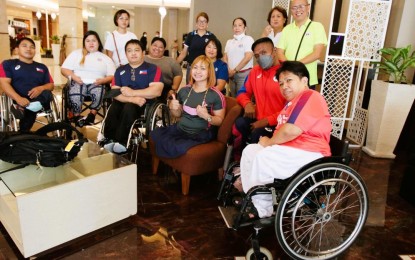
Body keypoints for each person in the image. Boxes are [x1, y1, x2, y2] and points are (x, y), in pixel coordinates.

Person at [238, 61, 332, 219]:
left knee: (263, 156)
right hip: (291, 149)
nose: (284, 86)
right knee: (250, 151)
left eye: (289, 80)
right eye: (281, 83)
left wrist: (268, 142)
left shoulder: (309, 96)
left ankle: (262, 208)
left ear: (304, 80)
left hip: (310, 152)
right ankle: (253, 199)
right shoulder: (291, 103)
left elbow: (290, 131)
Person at [150, 55, 225, 159]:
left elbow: (220, 120)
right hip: (180, 129)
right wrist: (173, 108)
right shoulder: (184, 90)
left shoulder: (216, 95)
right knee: (155, 135)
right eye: (195, 67)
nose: (198, 71)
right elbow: (178, 114)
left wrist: (207, 116)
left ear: (209, 72)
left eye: (203, 69)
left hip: (200, 134)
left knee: (177, 145)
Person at [103, 39, 163, 154]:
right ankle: (108, 139)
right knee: (114, 106)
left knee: (129, 107)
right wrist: (131, 99)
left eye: (137, 50)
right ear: (126, 54)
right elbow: (114, 92)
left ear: (143, 53)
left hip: (145, 104)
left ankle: (122, 142)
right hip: (125, 101)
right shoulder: (120, 70)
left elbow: (156, 91)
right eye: (129, 51)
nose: (133, 53)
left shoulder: (152, 69)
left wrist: (133, 93)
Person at [233, 37, 285, 158]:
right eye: (257, 56)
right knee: (240, 123)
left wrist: (267, 121)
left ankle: (252, 167)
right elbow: (242, 92)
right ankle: (238, 159)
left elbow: (292, 108)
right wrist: (247, 104)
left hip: (279, 123)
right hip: (259, 118)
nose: (260, 58)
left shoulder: (287, 73)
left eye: (263, 53)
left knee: (257, 134)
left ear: (274, 51)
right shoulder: (255, 71)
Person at [61, 30, 116, 127]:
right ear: (84, 43)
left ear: (98, 43)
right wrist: (74, 77)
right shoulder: (76, 54)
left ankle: (92, 114)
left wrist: (103, 80)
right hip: (78, 81)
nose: (91, 43)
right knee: (75, 90)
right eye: (88, 40)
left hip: (97, 83)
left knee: (100, 90)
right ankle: (77, 116)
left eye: (94, 40)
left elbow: (112, 75)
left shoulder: (105, 58)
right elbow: (64, 69)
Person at [0, 37, 54, 132]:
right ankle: (25, 126)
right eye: (24, 46)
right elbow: (4, 83)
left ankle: (24, 126)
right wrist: (18, 98)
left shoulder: (42, 67)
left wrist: (41, 88)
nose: (29, 49)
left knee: (47, 94)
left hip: (37, 99)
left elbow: (51, 85)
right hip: (17, 100)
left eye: (32, 47)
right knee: (31, 107)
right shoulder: (8, 64)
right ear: (17, 49)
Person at [277, 0, 327, 89]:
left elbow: (317, 54)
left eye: (301, 6)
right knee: (289, 103)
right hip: (288, 79)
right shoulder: (287, 29)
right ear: (291, 11)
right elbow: (280, 52)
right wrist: (290, 67)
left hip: (307, 78)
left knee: (304, 103)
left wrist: (295, 65)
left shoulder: (317, 27)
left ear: (308, 7)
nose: (297, 10)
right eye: (294, 8)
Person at [176, 12, 215, 84]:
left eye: (204, 21)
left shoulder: (211, 36)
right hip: (191, 67)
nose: (202, 23)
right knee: (189, 87)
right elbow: (184, 52)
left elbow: (214, 53)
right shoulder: (191, 35)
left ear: (207, 24)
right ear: (196, 23)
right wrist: (175, 64)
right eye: (200, 21)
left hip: (205, 68)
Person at [223, 17, 254, 97]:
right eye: (235, 26)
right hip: (231, 75)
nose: (237, 28)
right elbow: (225, 58)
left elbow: (248, 57)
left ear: (245, 28)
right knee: (233, 98)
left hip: (243, 75)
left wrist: (235, 70)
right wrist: (229, 70)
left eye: (240, 25)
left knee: (242, 98)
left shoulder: (248, 39)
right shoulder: (229, 42)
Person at [144, 37, 183, 101]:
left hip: (164, 90)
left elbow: (178, 74)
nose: (157, 48)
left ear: (164, 49)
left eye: (161, 47)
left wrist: (173, 89)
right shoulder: (142, 59)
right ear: (150, 46)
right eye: (155, 45)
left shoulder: (171, 61)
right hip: (144, 88)